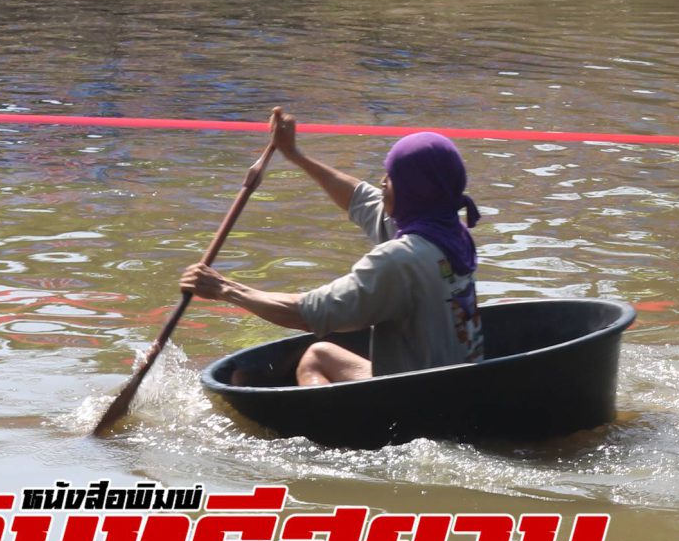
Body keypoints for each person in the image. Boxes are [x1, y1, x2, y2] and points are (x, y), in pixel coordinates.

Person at [183, 109, 485, 386]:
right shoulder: (450, 235)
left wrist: (224, 288)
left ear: (414, 191)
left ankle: (327, 442)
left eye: (392, 178)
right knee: (319, 355)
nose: (382, 182)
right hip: (454, 386)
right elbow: (360, 199)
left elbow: (308, 314)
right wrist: (294, 155)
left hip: (412, 399)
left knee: (312, 357)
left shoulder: (401, 260)